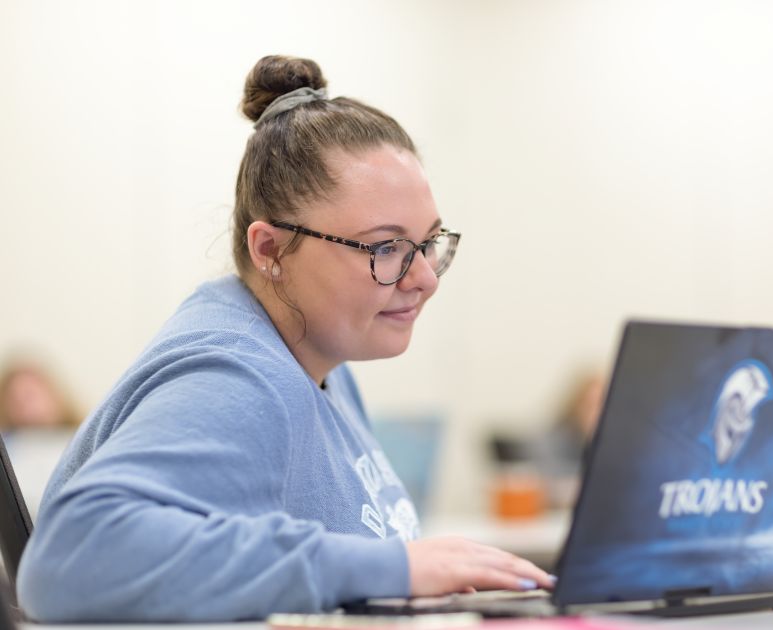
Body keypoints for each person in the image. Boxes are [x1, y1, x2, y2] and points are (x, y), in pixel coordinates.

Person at [16, 55, 553, 622]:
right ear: (270, 250)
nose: (422, 278)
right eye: (385, 247)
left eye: (429, 242)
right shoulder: (237, 375)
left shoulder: (322, 360)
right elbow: (69, 560)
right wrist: (395, 568)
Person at [0, 355, 82, 514]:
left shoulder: (82, 437)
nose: (25, 406)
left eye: (31, 395)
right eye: (16, 399)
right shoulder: (8, 448)